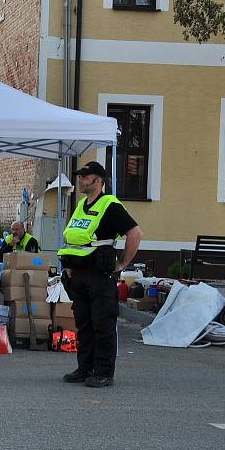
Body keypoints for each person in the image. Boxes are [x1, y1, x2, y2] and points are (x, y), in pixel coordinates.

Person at [57, 161, 142, 388]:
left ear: (98, 181)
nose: (81, 180)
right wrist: (69, 266)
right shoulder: (81, 205)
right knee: (84, 324)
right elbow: (74, 238)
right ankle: (85, 369)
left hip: (100, 274)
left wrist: (122, 263)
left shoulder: (110, 205)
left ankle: (104, 372)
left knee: (102, 324)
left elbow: (135, 233)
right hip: (79, 274)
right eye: (80, 176)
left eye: (86, 176)